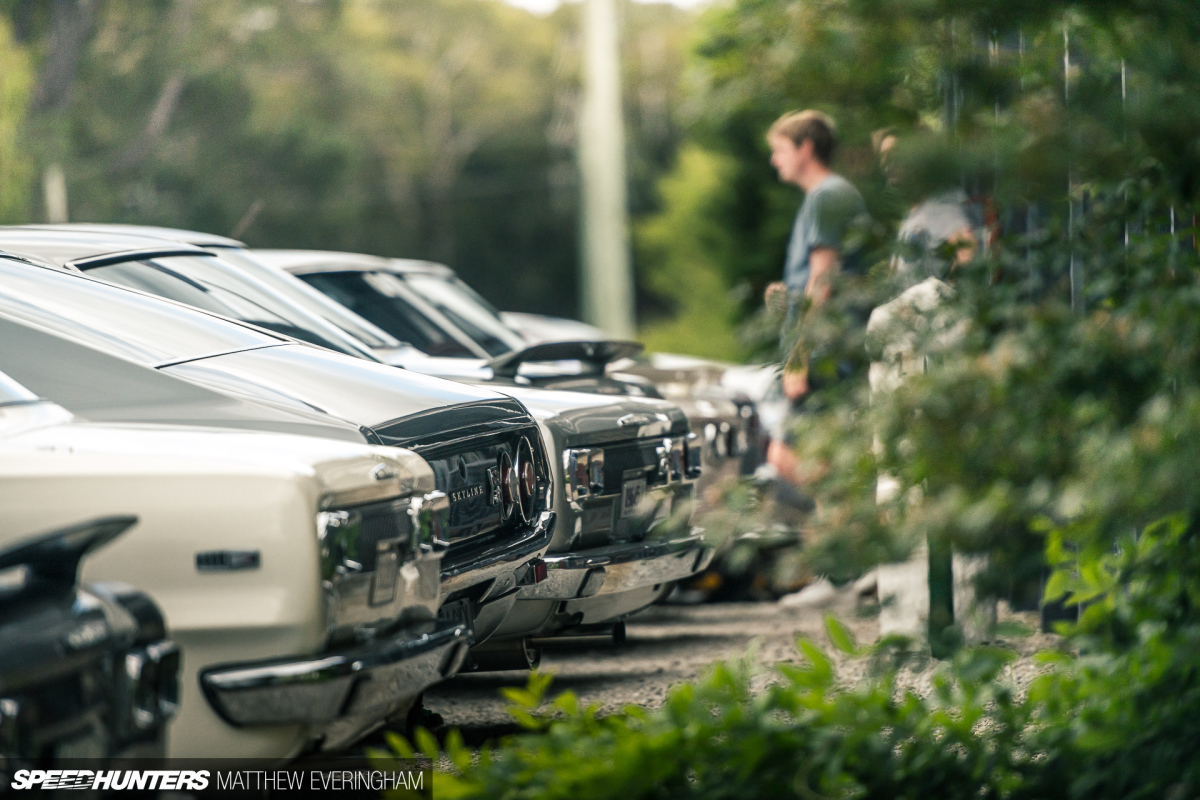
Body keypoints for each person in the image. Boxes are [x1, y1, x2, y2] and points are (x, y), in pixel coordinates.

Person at [763, 110, 868, 481]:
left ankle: (849, 524)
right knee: (818, 455)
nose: (775, 159)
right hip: (828, 349)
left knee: (789, 456)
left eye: (780, 149)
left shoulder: (828, 196)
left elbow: (823, 280)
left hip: (827, 352)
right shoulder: (827, 197)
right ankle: (843, 525)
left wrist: (799, 357)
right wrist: (787, 295)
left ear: (805, 148)